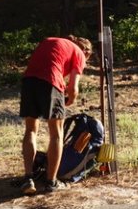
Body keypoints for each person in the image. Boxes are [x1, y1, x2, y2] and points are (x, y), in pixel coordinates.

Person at [18, 35, 93, 195]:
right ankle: (51, 182)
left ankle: (28, 178)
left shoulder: (52, 41)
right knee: (56, 134)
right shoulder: (79, 53)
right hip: (50, 82)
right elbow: (73, 88)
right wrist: (70, 100)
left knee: (30, 130)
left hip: (29, 82)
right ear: (86, 52)